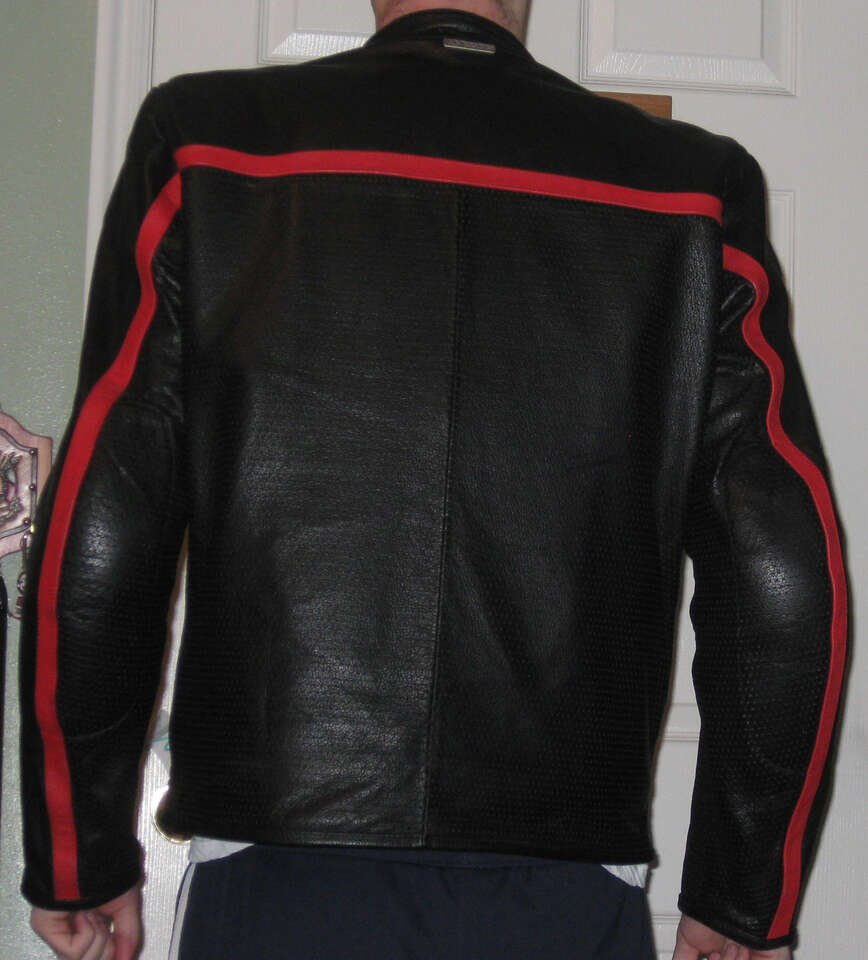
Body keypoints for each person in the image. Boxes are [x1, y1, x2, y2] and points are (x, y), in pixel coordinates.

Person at [20, 0, 847, 957]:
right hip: (566, 896)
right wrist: (746, 897)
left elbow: (104, 523)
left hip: (281, 884)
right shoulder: (691, 189)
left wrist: (79, 853)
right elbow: (782, 572)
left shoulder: (208, 144)